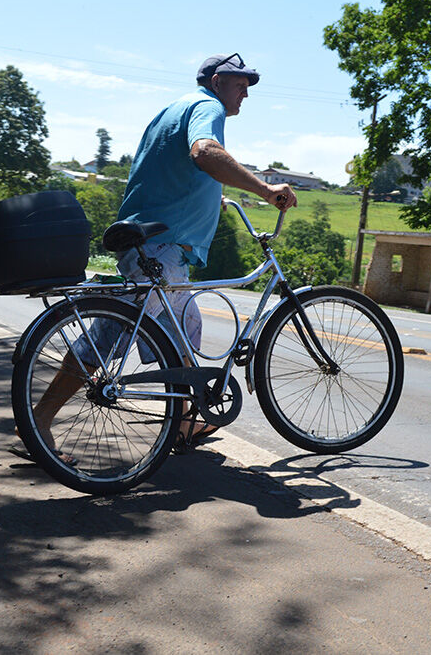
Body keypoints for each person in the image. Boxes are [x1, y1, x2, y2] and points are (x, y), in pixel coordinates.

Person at [30, 53, 298, 458]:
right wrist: (265, 189)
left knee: (186, 331)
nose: (246, 92)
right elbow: (204, 153)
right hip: (160, 248)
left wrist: (211, 195)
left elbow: (175, 167)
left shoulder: (174, 109)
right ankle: (38, 421)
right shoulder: (207, 107)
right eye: (241, 83)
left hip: (158, 244)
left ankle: (184, 422)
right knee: (106, 341)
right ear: (218, 79)